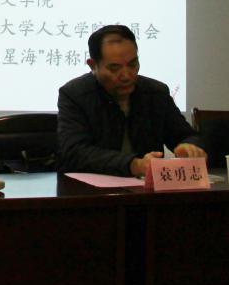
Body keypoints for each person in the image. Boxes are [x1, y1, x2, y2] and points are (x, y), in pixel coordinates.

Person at [57, 24, 205, 176]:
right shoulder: (74, 94)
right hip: (90, 187)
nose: (127, 75)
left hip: (145, 187)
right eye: (114, 68)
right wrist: (133, 165)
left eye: (132, 64)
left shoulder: (156, 92)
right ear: (93, 65)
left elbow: (186, 135)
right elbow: (75, 152)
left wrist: (190, 147)